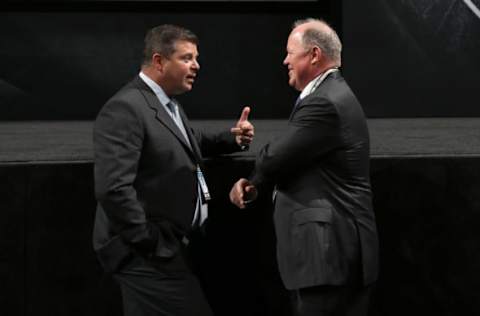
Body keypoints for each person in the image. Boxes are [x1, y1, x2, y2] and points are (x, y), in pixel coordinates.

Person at [93, 24, 254, 316]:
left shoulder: (167, 104)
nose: (196, 65)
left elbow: (186, 140)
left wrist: (233, 139)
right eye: (187, 58)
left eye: (195, 58)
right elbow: (113, 189)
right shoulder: (125, 109)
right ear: (158, 61)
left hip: (169, 249)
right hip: (145, 256)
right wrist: (150, 240)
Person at [229, 18, 378, 316]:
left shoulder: (325, 102)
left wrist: (257, 173)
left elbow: (275, 157)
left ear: (313, 55)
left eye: (290, 52)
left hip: (328, 255)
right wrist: (256, 182)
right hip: (333, 254)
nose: (285, 60)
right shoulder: (330, 94)